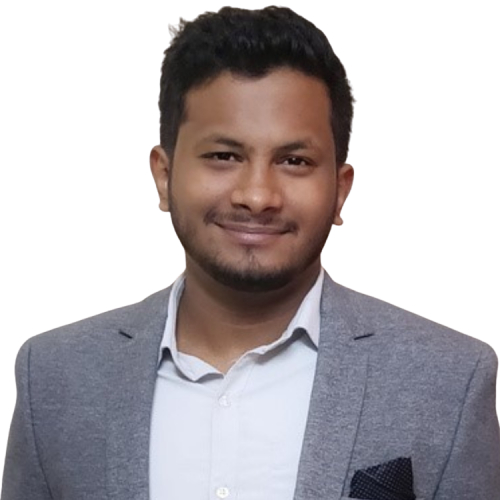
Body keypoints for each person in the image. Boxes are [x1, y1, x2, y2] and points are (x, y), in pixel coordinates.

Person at [1, 5, 499, 500]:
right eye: (224, 156)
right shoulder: (54, 376)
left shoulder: (450, 378)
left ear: (341, 190)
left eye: (294, 160)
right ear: (164, 176)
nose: (258, 196)